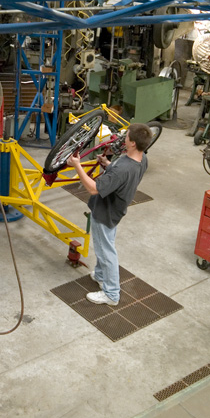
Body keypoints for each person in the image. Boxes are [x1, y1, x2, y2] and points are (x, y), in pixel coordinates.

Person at [67, 123, 151, 306]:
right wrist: (108, 165)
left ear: (133, 143)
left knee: (106, 251)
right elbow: (121, 175)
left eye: (127, 136)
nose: (124, 138)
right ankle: (100, 275)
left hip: (105, 212)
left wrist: (77, 166)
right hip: (116, 209)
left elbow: (93, 188)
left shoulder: (123, 169)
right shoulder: (141, 159)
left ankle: (111, 294)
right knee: (106, 244)